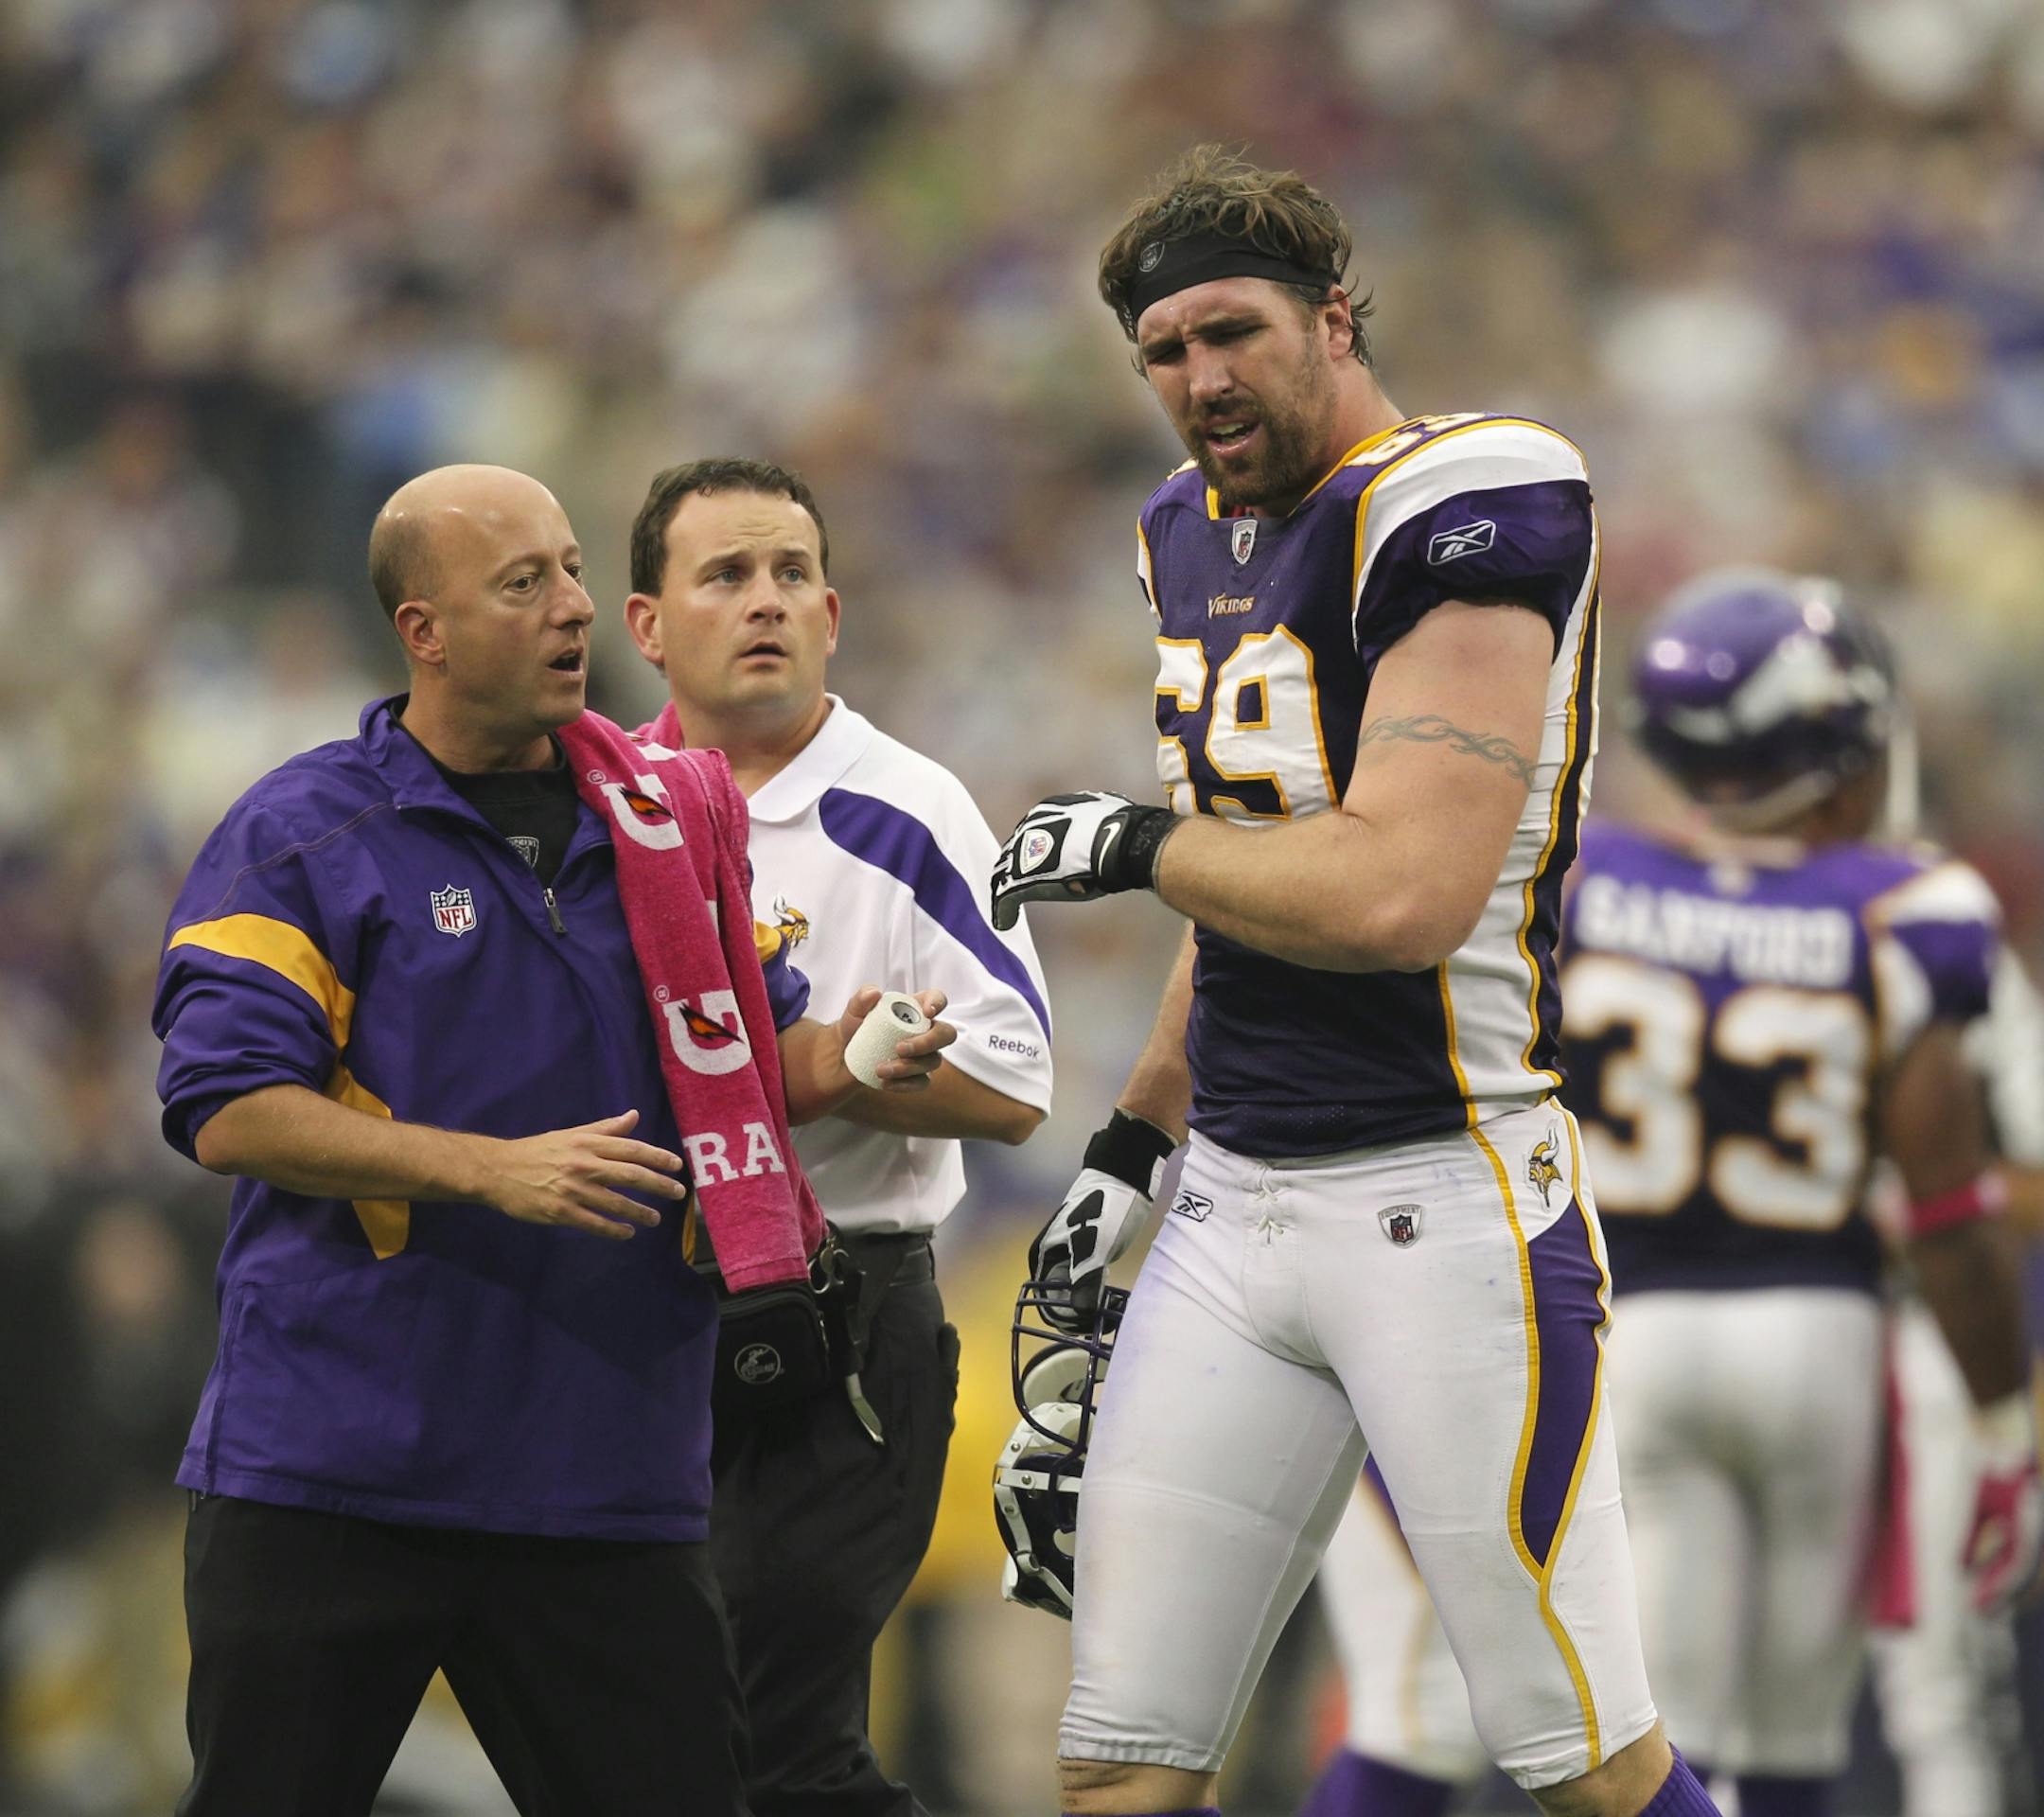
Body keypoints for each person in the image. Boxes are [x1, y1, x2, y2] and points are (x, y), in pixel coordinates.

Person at [988, 144, 1716, 1817]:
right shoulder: (1181, 526)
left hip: (1443, 1195)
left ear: (1334, 315)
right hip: (1237, 1211)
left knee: (1588, 1768)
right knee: (1118, 1763)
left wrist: (1134, 844)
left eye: (1231, 331)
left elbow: (1397, 890)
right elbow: (1253, 883)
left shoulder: (1470, 493)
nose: (1199, 378)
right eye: (1163, 352)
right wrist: (1127, 1154)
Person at [151, 463, 950, 1817]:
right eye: (525, 584)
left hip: (608, 1481)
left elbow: (750, 1072)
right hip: (339, 1468)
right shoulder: (303, 832)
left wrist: (858, 1056)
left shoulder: (669, 816)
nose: (574, 608)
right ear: (426, 630)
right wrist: (488, 1167)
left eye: (573, 570)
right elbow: (224, 1105)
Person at [1299, 569, 2042, 1817]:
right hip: (1828, 1332)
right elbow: (1948, 1198)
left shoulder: (1581, 885)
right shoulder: (1912, 909)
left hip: (1614, 1328)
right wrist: (2009, 1425)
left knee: (1654, 1736)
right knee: (1802, 1739)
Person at [622, 455, 1053, 1817]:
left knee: (771, 1733)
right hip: (630, 1306)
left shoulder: (904, 808)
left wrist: (849, 1077)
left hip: (840, 1322)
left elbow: (1017, 1080)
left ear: (834, 612)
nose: (765, 601)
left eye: (791, 573)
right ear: (647, 624)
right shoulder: (599, 804)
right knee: (634, 1728)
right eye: (726, 574)